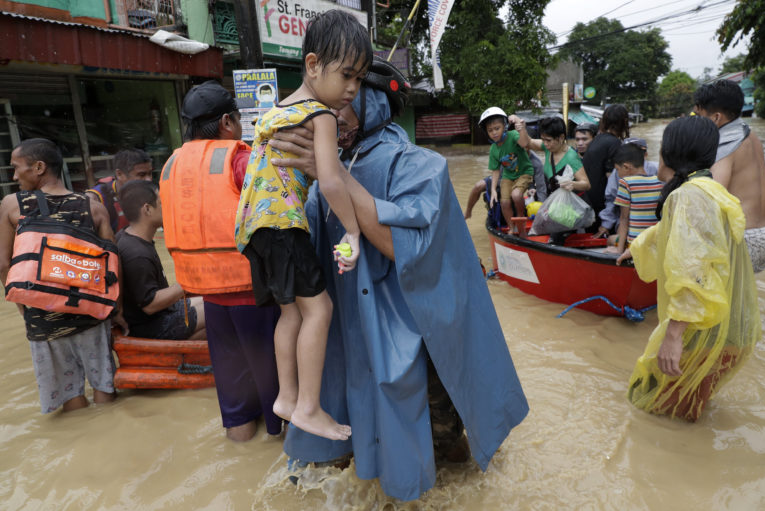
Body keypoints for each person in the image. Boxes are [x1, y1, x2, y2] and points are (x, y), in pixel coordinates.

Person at [269, 56, 529, 501]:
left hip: (416, 338)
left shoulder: (420, 165)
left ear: (375, 101)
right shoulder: (324, 165)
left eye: (345, 101)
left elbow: (398, 245)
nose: (331, 114)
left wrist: (332, 174)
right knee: (354, 440)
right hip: (351, 336)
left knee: (445, 451)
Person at [233, 9, 370, 442]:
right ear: (313, 65)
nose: (352, 88)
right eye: (347, 74)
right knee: (321, 309)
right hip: (284, 226)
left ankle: (286, 398)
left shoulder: (274, 112)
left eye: (360, 79)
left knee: (290, 313)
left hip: (252, 230)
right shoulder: (321, 114)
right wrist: (353, 230)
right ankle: (308, 407)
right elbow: (330, 180)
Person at [159, 80, 281, 441]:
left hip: (207, 294)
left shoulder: (171, 164)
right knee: (275, 385)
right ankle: (278, 447)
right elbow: (275, 215)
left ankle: (241, 451)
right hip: (253, 293)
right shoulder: (239, 158)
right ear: (227, 122)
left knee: (233, 393)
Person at [617, 116, 760, 422]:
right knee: (690, 411)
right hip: (731, 330)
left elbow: (693, 269)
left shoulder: (686, 197)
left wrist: (673, 337)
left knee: (660, 415)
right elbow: (680, 234)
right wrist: (636, 247)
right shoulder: (712, 191)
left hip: (702, 334)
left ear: (670, 153)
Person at [0, 139, 119, 413]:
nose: (15, 176)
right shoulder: (93, 207)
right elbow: (112, 264)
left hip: (43, 318)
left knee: (71, 402)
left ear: (39, 167)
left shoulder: (12, 205)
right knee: (105, 388)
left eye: (17, 169)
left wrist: (22, 304)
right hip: (90, 314)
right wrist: (117, 309)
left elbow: (3, 264)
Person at [116, 180, 206, 340]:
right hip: (152, 325)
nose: (168, 207)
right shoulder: (136, 254)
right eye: (161, 203)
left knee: (215, 303)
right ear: (148, 209)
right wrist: (190, 282)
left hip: (162, 313)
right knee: (219, 313)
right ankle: (178, 358)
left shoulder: (128, 236)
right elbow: (150, 305)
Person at [694, 80, 765, 272]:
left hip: (745, 239)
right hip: (763, 233)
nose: (697, 122)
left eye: (700, 115)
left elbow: (712, 197)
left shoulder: (726, 144)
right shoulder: (749, 134)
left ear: (717, 117)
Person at [478, 107, 534, 224]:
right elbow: (495, 171)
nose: (494, 133)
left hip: (524, 173)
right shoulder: (494, 149)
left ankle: (520, 219)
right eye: (490, 130)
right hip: (508, 177)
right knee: (504, 202)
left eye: (497, 128)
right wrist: (493, 190)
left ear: (505, 126)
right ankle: (511, 227)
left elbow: (524, 143)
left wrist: (520, 125)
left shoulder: (513, 135)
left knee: (516, 195)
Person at [604, 143, 663, 254]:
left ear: (626, 167)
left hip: (634, 245)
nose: (618, 174)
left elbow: (624, 219)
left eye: (617, 169)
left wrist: (619, 250)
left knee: (610, 239)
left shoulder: (626, 183)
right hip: (654, 242)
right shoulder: (659, 182)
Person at [595, 138, 659, 238]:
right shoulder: (618, 173)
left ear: (645, 155)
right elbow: (612, 200)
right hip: (628, 225)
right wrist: (606, 224)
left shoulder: (657, 170)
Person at [512, 115, 590, 196]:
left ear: (561, 137)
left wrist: (572, 184)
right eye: (543, 139)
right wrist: (521, 126)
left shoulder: (571, 157)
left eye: (548, 140)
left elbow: (586, 184)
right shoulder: (548, 148)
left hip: (569, 204)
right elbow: (527, 143)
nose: (545, 143)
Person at [86, 148, 154, 233]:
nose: (149, 179)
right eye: (141, 174)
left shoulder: (149, 193)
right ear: (119, 174)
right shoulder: (95, 200)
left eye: (150, 173)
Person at [463, 150, 543, 221]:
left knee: (516, 195)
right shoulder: (507, 153)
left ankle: (519, 220)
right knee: (478, 186)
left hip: (522, 181)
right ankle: (468, 213)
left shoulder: (535, 161)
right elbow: (500, 176)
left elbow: (538, 185)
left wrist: (531, 188)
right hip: (503, 179)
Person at [582, 105, 630, 219]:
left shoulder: (596, 140)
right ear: (623, 122)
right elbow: (612, 178)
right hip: (603, 205)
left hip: (589, 200)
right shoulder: (615, 143)